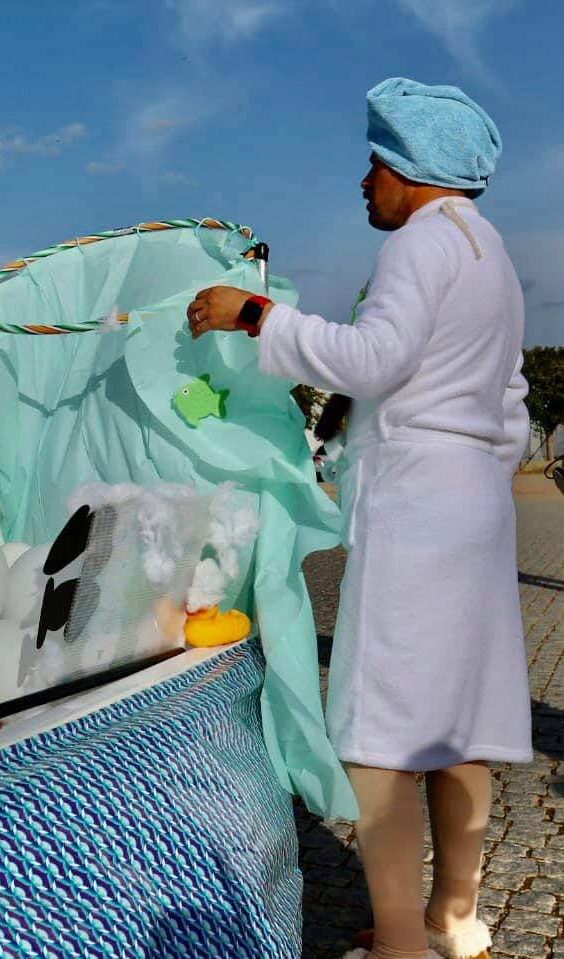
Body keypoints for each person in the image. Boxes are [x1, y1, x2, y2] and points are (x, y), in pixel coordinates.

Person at [187, 78, 530, 959]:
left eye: (376, 164)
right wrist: (473, 468)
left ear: (414, 173)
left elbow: (374, 358)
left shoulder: (421, 245)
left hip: (421, 498)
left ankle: (402, 945)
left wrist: (252, 310)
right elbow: (513, 396)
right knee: (461, 721)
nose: (365, 180)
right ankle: (456, 915)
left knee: (384, 728)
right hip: (476, 499)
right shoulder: (490, 250)